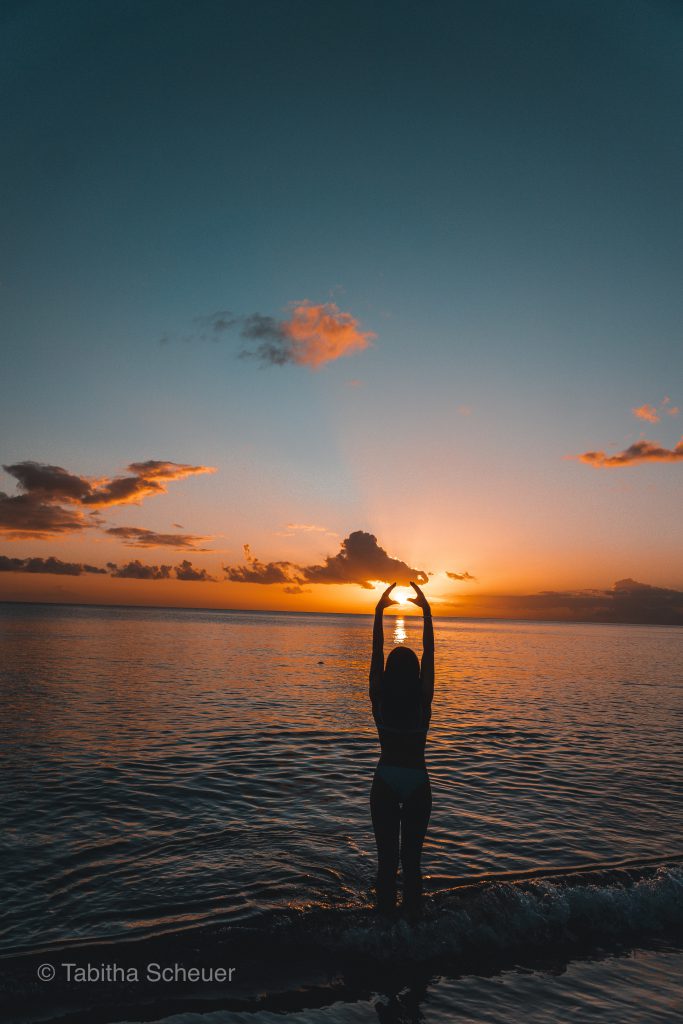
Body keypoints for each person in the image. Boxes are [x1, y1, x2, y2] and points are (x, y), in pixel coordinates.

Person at [369, 581, 434, 918]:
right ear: (416, 674)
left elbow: (377, 651)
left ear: (388, 673)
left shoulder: (379, 699)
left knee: (386, 865)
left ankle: (382, 936)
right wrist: (426, 612)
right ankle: (413, 934)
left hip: (385, 779)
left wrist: (379, 611)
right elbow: (429, 654)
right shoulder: (423, 702)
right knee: (412, 864)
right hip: (417, 782)